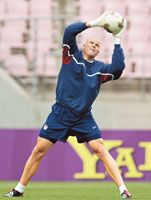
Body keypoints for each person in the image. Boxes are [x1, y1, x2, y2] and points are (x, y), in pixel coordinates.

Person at [4, 14, 132, 199]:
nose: (94, 46)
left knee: (100, 149)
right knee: (39, 150)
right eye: (91, 43)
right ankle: (19, 190)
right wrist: (93, 24)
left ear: (98, 52)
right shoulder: (70, 56)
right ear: (83, 45)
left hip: (83, 117)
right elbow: (69, 32)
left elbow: (118, 68)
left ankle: (123, 190)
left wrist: (117, 38)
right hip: (60, 113)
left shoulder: (100, 70)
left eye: (97, 46)